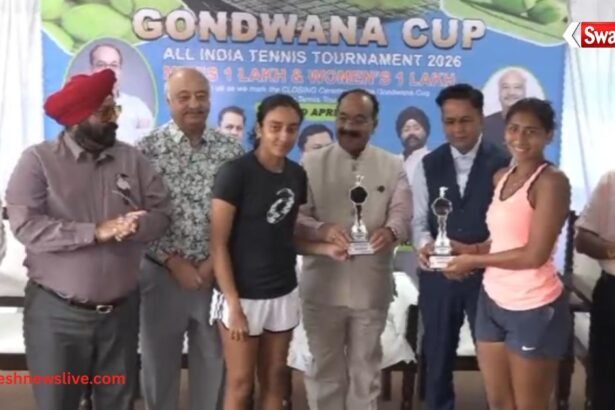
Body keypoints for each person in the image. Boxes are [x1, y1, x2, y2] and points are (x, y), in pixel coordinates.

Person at [4, 69, 171, 410]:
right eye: (105, 112)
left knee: (117, 401)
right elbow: (27, 226)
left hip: (120, 317)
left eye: (115, 110)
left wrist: (138, 226)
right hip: (57, 317)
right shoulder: (37, 161)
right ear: (78, 118)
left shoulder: (132, 160)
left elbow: (163, 213)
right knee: (58, 401)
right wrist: (95, 231)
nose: (114, 120)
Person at [209, 94, 346, 410]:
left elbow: (285, 237)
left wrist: (325, 249)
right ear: (259, 128)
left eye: (291, 129)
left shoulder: (296, 175)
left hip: (282, 292)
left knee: (276, 379)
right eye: (275, 127)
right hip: (241, 295)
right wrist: (233, 304)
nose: (283, 136)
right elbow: (217, 244)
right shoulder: (235, 172)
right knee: (241, 384)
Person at [444, 98, 571, 410]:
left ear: (549, 135)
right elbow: (501, 241)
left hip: (533, 307)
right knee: (499, 402)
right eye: (514, 129)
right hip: (492, 302)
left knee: (529, 406)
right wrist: (468, 250)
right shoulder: (502, 176)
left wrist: (473, 261)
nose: (520, 138)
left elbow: (534, 255)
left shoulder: (552, 182)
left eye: (531, 131)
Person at [295, 89, 413, 410]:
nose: (348, 126)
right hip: (322, 289)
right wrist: (322, 229)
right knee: (324, 372)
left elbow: (402, 213)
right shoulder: (310, 162)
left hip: (370, 288)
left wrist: (391, 231)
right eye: (343, 118)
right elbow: (298, 217)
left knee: (366, 372)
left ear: (375, 124)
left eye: (359, 120)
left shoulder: (392, 164)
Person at [138, 68, 244, 410]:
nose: (194, 104)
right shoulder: (145, 151)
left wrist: (214, 263)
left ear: (210, 99)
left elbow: (243, 215)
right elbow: (135, 216)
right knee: (158, 366)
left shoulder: (231, 152)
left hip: (215, 277)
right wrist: (171, 260)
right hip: (160, 275)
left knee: (213, 363)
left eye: (201, 96)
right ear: (169, 101)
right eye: (184, 97)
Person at [412, 84, 510, 410]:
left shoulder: (506, 162)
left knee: (496, 358)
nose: (457, 129)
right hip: (440, 278)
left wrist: (475, 256)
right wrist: (432, 253)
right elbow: (419, 222)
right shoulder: (427, 164)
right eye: (449, 121)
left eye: (465, 120)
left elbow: (512, 228)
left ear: (481, 118)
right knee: (437, 355)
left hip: (490, 277)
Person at [575, 169, 615, 409]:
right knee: (605, 385)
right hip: (612, 293)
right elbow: (582, 239)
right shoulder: (611, 180)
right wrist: (611, 249)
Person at [89, 42, 155, 144]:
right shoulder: (78, 107)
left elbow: (149, 144)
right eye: (101, 65)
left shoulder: (138, 107)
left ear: (120, 71)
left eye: (114, 65)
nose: (108, 70)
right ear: (91, 70)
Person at [483, 69, 527, 149]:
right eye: (505, 87)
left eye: (517, 87)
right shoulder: (485, 125)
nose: (511, 92)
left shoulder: (535, 124)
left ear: (524, 93)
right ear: (499, 92)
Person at [396, 106, 431, 185]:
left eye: (416, 128)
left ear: (426, 132)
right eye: (406, 129)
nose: (411, 133)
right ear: (400, 134)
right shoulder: (393, 162)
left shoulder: (435, 161)